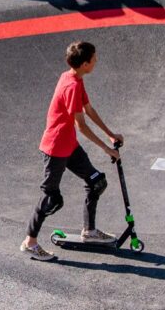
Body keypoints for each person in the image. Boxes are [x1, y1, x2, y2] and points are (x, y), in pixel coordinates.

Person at [22, 40, 122, 263]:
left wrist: (110, 134)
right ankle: (30, 242)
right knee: (51, 198)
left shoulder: (75, 78)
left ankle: (89, 231)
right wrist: (107, 149)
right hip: (56, 148)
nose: (97, 60)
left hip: (69, 145)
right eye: (94, 58)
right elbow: (81, 125)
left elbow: (89, 110)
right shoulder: (72, 85)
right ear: (85, 63)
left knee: (97, 182)